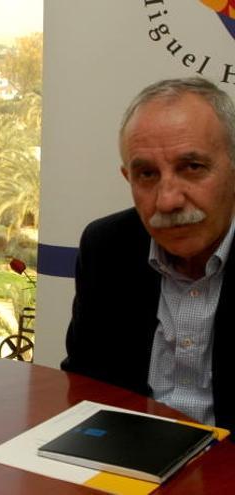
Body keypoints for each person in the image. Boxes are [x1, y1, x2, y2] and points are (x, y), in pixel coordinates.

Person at [62, 77, 235, 430]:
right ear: (127, 178)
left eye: (192, 167)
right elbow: (86, 383)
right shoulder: (107, 246)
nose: (168, 200)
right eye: (146, 174)